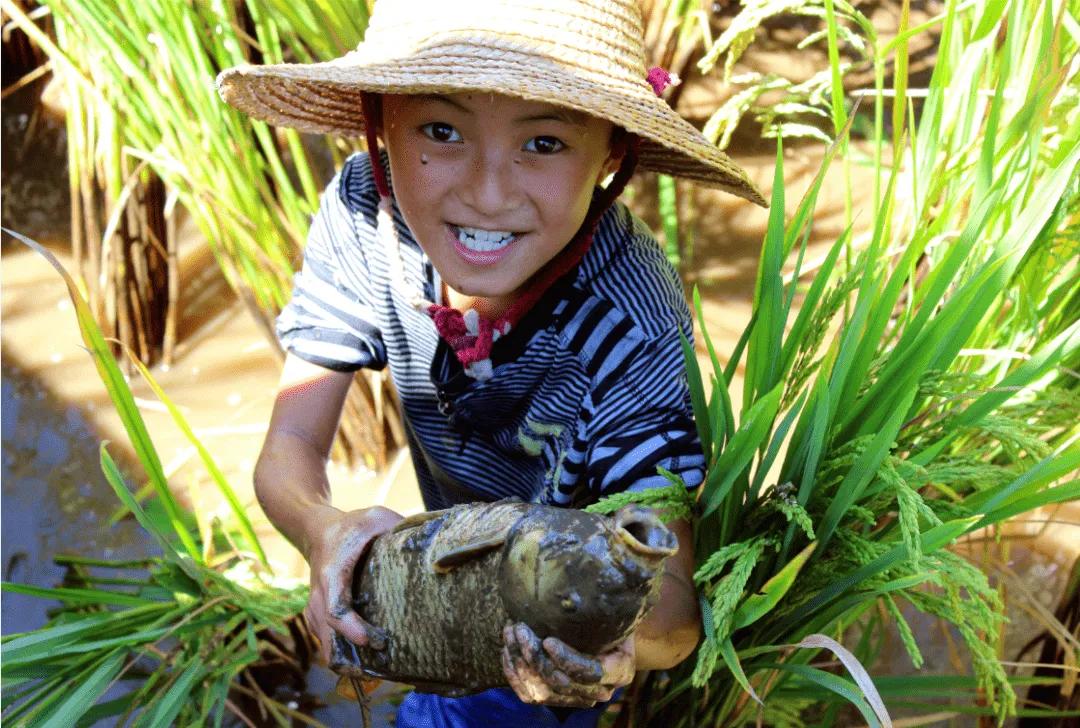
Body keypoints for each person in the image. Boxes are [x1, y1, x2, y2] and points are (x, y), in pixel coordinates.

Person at [217, 0, 765, 725]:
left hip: (555, 620)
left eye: (543, 143)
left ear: (613, 152)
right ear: (380, 122)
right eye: (441, 131)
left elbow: (672, 607)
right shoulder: (363, 212)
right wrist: (324, 530)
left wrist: (611, 652)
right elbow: (289, 445)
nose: (487, 192)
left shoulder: (631, 316)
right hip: (450, 552)